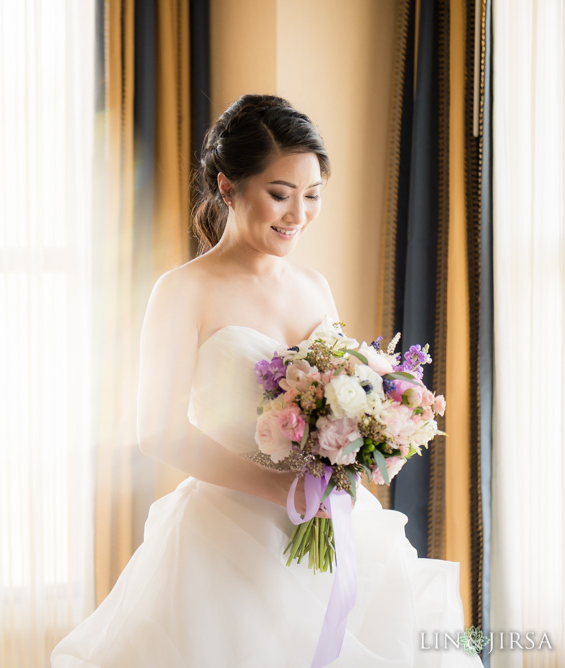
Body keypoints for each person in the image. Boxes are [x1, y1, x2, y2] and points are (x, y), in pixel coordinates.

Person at [50, 94, 482, 667]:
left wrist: (370, 433)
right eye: (280, 195)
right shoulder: (183, 290)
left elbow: (342, 397)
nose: (297, 214)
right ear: (228, 188)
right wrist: (280, 490)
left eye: (312, 196)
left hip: (337, 523)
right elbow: (158, 432)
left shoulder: (314, 284)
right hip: (228, 538)